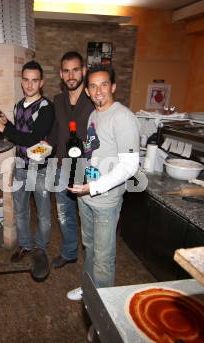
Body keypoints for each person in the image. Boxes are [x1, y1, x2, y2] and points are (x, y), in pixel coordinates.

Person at [66, 65, 140, 301]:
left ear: (113, 87)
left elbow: (129, 167)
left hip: (105, 200)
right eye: (93, 86)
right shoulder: (93, 115)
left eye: (104, 84)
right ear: (87, 91)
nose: (99, 91)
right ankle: (89, 290)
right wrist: (80, 177)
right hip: (86, 195)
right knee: (89, 246)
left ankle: (104, 309)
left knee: (104, 256)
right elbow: (92, 153)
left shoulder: (123, 117)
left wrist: (94, 187)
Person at [0, 60, 55, 264]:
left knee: (43, 213)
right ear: (21, 81)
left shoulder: (46, 107)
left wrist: (4, 129)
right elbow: (20, 133)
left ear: (41, 82)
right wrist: (6, 122)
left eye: (34, 81)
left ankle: (41, 248)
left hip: (40, 168)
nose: (29, 85)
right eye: (26, 80)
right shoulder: (18, 106)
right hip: (20, 166)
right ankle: (26, 245)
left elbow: (33, 138)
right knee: (21, 210)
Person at [47, 51, 94, 269]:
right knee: (64, 214)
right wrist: (45, 147)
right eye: (66, 71)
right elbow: (56, 132)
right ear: (61, 74)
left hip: (87, 168)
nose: (71, 75)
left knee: (88, 216)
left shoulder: (94, 98)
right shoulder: (57, 100)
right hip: (62, 166)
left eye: (75, 69)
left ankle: (92, 259)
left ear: (83, 71)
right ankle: (69, 252)